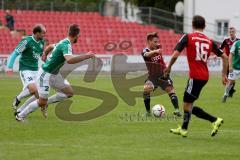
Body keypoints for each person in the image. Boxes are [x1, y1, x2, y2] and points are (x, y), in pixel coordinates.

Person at [15, 24, 95, 122]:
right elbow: (69, 60)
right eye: (79, 35)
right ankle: (20, 116)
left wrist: (44, 54)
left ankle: (45, 102)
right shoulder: (66, 44)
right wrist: (86, 56)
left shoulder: (63, 42)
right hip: (45, 74)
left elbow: (49, 47)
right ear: (76, 35)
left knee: (69, 93)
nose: (79, 36)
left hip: (55, 74)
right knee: (41, 101)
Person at [165, 15, 228, 137]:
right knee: (188, 104)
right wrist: (223, 74)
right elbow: (225, 57)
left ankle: (214, 120)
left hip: (196, 77)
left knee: (187, 105)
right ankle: (183, 129)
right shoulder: (209, 41)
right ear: (204, 26)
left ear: (192, 25)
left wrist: (169, 67)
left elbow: (175, 55)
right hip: (204, 76)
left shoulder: (188, 37)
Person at [7, 24, 46, 113]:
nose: (44, 35)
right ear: (37, 33)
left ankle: (20, 107)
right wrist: (9, 67)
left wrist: (47, 62)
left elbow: (40, 56)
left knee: (39, 94)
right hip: (25, 69)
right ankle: (19, 99)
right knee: (33, 90)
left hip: (36, 70)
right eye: (43, 33)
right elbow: (15, 53)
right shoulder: (27, 41)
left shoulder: (41, 42)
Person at [142, 32, 181, 117]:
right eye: (154, 42)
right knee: (146, 89)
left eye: (157, 42)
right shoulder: (145, 51)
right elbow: (147, 54)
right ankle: (148, 112)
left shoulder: (158, 47)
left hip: (163, 75)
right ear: (149, 41)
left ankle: (177, 110)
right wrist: (155, 51)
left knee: (171, 90)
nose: (156, 43)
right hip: (152, 77)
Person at [220, 27, 239, 99]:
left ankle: (230, 92)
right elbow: (220, 48)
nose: (231, 33)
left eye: (232, 32)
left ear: (235, 32)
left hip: (235, 61)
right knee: (227, 76)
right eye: (230, 32)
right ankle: (231, 90)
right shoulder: (226, 40)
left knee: (231, 77)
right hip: (227, 61)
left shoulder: (238, 41)